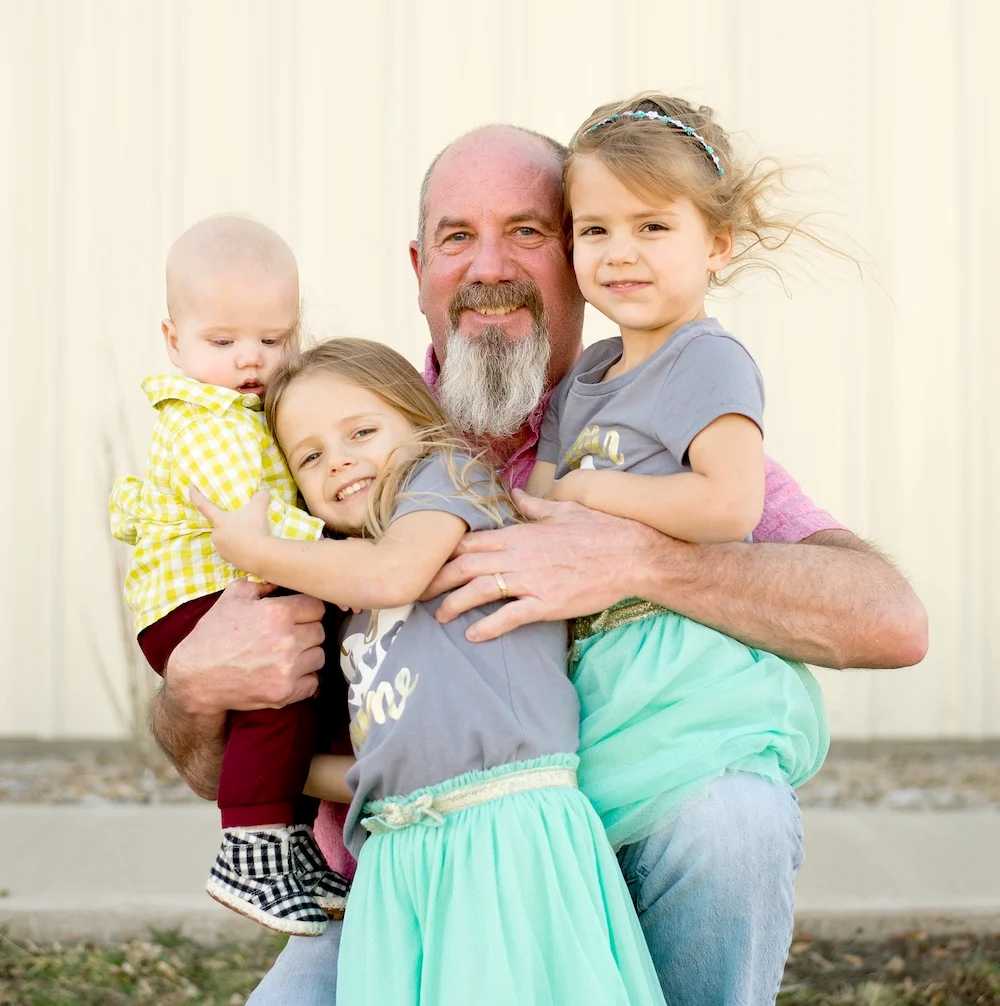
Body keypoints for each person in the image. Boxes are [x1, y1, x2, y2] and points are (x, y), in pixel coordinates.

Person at [151, 126, 927, 1005]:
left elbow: (891, 620)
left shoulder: (646, 428)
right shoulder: (332, 436)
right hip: (409, 881)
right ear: (418, 268)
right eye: (457, 237)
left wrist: (646, 562)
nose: (489, 266)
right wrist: (191, 689)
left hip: (623, 853)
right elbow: (216, 766)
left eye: (529, 231)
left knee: (736, 819)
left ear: (579, 258)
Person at [194, 338, 667, 1006]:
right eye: (310, 456)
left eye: (361, 431)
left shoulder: (448, 481)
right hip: (398, 858)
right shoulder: (356, 612)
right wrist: (258, 766)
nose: (341, 461)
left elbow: (396, 572)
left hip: (502, 832)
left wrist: (257, 551)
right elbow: (385, 760)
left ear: (418, 424)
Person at [525, 90, 831, 863]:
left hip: (675, 662)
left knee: (691, 819)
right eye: (595, 230)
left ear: (717, 245)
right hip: (600, 657)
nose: (619, 252)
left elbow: (730, 505)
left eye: (653, 227)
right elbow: (538, 497)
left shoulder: (706, 358)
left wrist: (594, 492)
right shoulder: (586, 376)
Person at [109, 216, 349, 935]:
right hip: (193, 607)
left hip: (229, 588)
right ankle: (249, 845)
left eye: (273, 340)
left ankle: (295, 847)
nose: (251, 358)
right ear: (173, 338)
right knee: (274, 691)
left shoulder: (248, 409)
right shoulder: (206, 420)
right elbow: (261, 526)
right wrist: (355, 546)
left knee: (303, 685)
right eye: (223, 342)